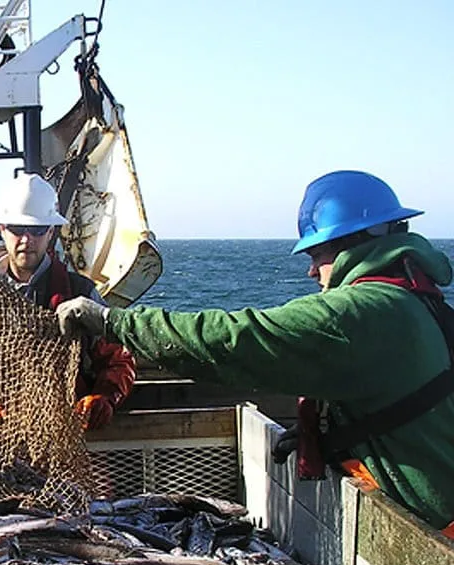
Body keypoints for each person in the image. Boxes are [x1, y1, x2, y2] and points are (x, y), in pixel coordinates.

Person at [55, 169, 454, 530]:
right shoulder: (411, 300)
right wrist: (335, 435)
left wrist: (112, 322)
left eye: (316, 253)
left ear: (352, 243)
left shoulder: (364, 312)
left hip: (440, 538)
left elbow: (237, 339)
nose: (311, 271)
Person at [0, 172, 135, 430]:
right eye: (17, 229)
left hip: (64, 430)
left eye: (37, 230)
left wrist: (105, 397)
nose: (26, 240)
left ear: (51, 232)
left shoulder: (80, 294)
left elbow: (118, 360)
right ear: (2, 229)